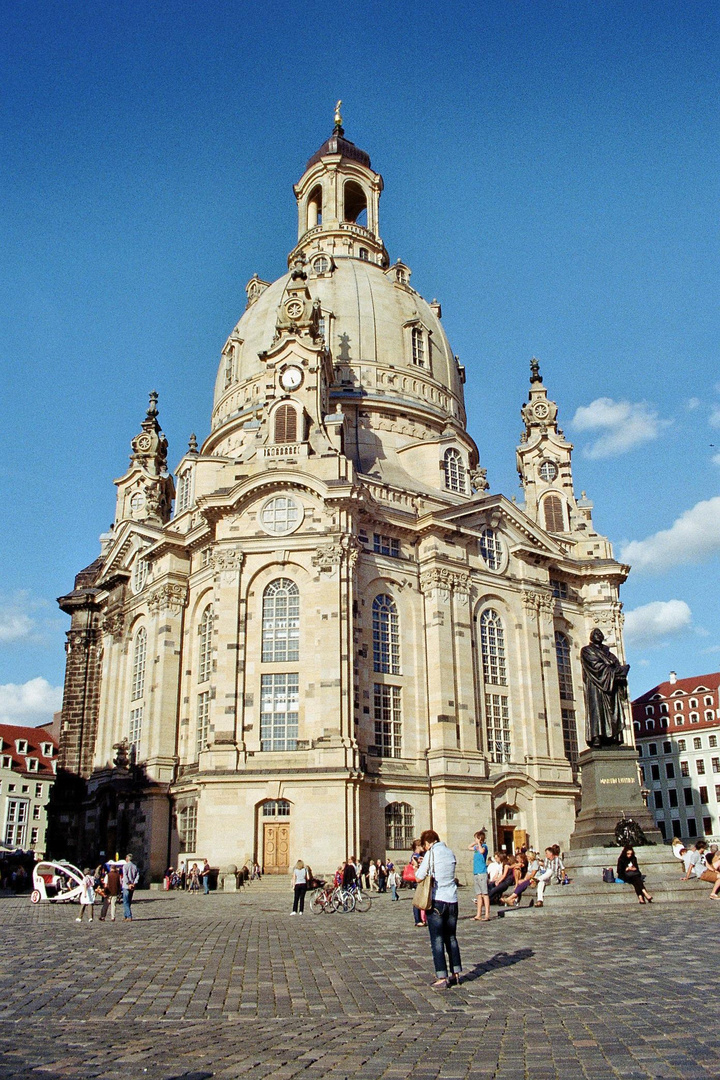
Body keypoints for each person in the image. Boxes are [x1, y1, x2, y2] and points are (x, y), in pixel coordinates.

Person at [415, 829, 462, 990]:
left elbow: (419, 876)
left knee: (437, 939)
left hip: (437, 901)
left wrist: (420, 865)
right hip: (453, 901)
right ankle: (456, 973)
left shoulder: (431, 853)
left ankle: (442, 977)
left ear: (428, 843)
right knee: (452, 938)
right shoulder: (450, 852)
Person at [580, 628, 630, 748]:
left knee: (613, 711)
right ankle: (597, 736)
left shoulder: (609, 653)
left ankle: (613, 736)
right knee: (597, 710)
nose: (599, 635)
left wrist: (620, 671)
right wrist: (614, 671)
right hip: (596, 686)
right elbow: (595, 666)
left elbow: (617, 665)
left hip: (611, 688)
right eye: (596, 633)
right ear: (591, 637)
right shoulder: (587, 650)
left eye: (600, 633)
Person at [468, 830, 490, 921]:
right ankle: (478, 914)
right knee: (479, 895)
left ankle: (487, 914)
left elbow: (482, 851)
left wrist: (479, 843)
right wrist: (475, 842)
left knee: (485, 894)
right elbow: (469, 847)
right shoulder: (476, 847)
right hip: (476, 872)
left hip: (482, 872)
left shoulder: (484, 846)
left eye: (476, 838)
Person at [121, 854, 139, 920]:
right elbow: (137, 875)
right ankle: (126, 915)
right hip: (132, 885)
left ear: (127, 859)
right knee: (129, 901)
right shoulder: (135, 866)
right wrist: (134, 883)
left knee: (125, 901)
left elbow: (125, 876)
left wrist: (128, 883)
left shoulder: (125, 866)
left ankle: (129, 916)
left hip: (126, 886)